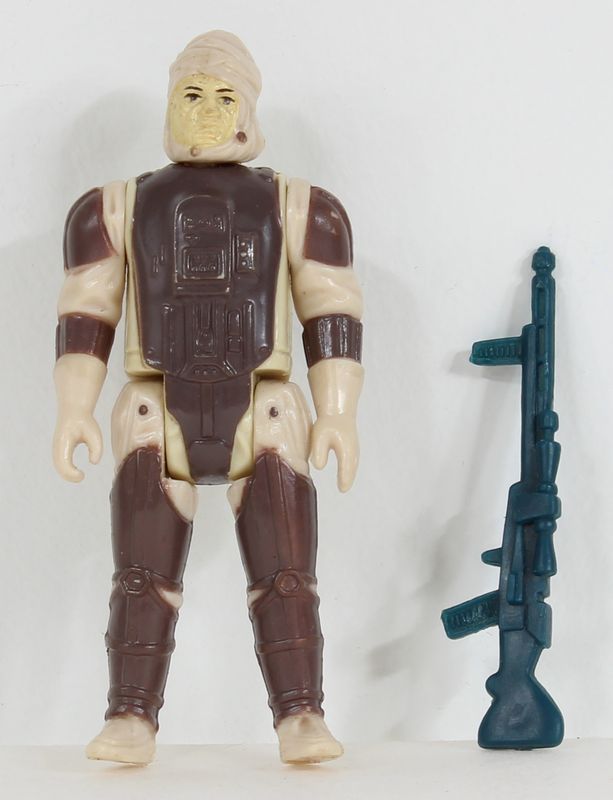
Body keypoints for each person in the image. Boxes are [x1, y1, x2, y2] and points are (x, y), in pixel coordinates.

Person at [53, 30, 363, 766]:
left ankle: (301, 715)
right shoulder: (112, 208)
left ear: (250, 109)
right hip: (155, 406)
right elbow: (86, 312)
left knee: (286, 574)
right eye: (190, 94)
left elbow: (330, 309)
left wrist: (337, 412)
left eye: (224, 96)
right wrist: (74, 406)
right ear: (168, 103)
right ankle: (130, 716)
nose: (206, 110)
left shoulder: (301, 206)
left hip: (264, 406)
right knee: (140, 574)